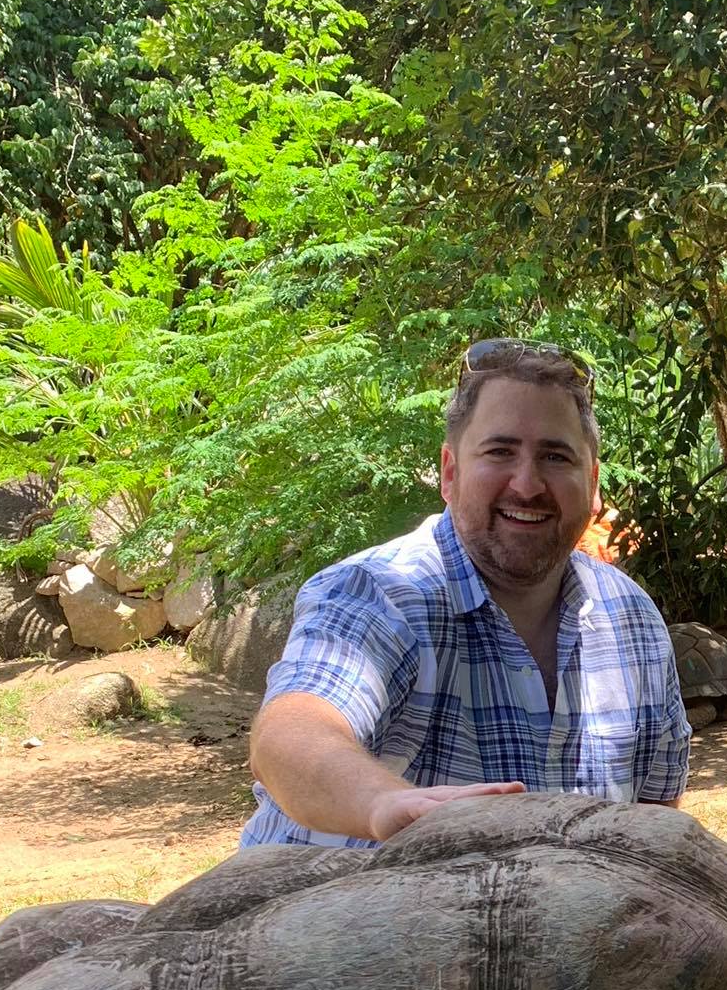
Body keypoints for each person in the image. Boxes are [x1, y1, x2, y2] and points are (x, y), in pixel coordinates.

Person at [241, 339, 690, 848]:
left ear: (592, 483)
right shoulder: (380, 592)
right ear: (450, 473)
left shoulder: (633, 620)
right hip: (330, 914)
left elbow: (653, 818)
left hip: (542, 922)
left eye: (555, 456)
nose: (527, 484)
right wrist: (382, 803)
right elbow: (290, 732)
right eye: (500, 451)